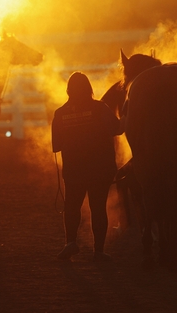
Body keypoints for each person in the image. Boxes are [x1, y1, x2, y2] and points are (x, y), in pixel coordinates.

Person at [51, 72, 121, 262]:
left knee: (71, 206)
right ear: (89, 88)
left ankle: (70, 243)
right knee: (98, 208)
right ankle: (98, 251)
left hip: (74, 170)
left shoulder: (60, 113)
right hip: (100, 168)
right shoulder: (100, 108)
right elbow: (118, 129)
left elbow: (56, 146)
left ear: (69, 90)